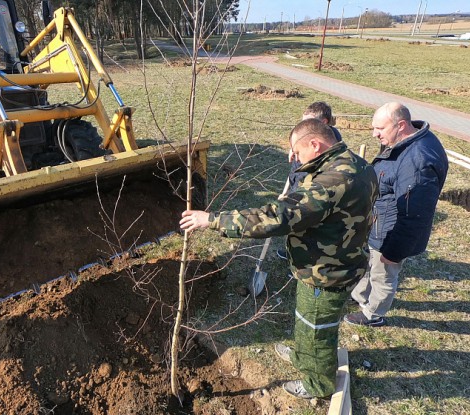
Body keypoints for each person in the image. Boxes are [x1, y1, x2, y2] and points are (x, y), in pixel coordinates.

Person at [180, 118, 378, 400]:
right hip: (330, 261)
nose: (294, 159)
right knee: (305, 318)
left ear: (315, 144)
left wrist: (212, 220)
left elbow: (276, 217)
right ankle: (302, 355)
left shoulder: (332, 181)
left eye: (297, 153)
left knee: (316, 329)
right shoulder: (357, 164)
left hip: (327, 270)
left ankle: (318, 383)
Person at [344, 102, 448, 327]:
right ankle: (361, 299)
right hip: (378, 223)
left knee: (383, 274)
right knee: (368, 265)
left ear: (401, 125)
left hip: (389, 233)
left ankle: (373, 313)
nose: (374, 134)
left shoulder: (418, 161)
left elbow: (414, 215)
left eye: (379, 129)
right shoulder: (402, 143)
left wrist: (394, 251)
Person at [277, 101, 343, 260]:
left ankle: (301, 260)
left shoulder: (327, 145)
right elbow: (294, 171)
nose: (303, 126)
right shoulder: (306, 139)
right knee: (292, 225)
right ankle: (291, 252)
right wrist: (285, 191)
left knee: (302, 226)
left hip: (307, 194)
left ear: (324, 122)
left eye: (308, 122)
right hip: (296, 188)